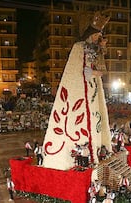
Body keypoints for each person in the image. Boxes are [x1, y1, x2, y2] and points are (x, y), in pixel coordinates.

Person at [41, 11, 113, 171]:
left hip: (93, 88)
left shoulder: (94, 50)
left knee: (95, 117)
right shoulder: (79, 48)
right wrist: (93, 72)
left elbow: (98, 66)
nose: (97, 38)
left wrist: (101, 51)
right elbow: (81, 69)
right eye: (96, 36)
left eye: (99, 36)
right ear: (90, 34)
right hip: (81, 90)